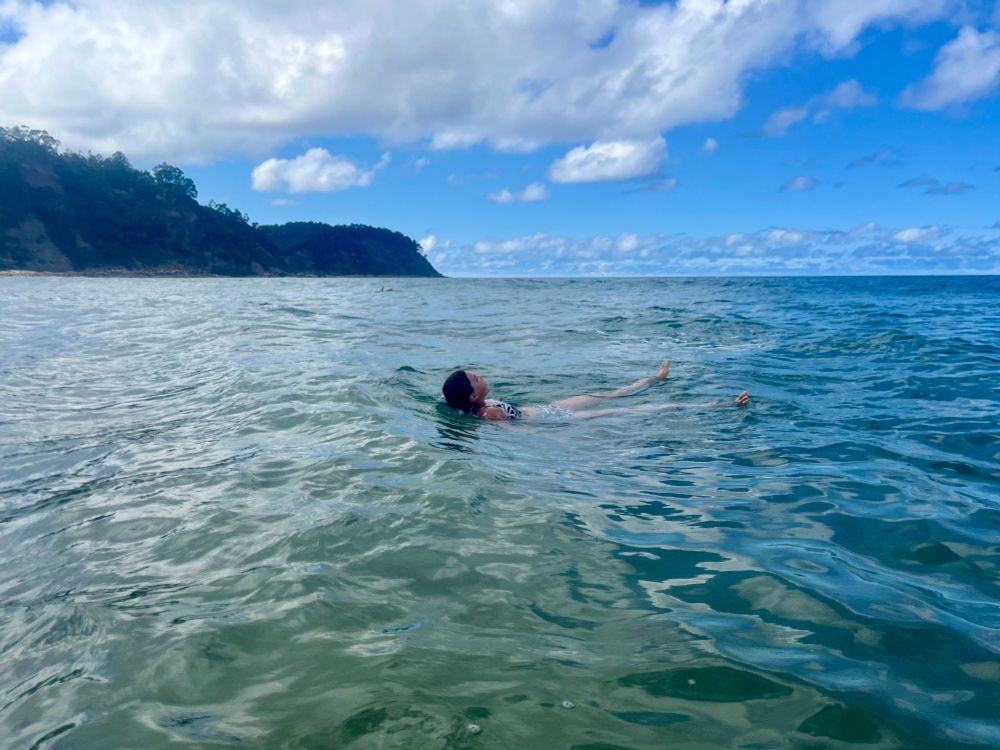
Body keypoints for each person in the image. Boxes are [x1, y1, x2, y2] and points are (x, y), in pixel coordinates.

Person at [441, 360, 749, 421]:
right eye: (475, 377)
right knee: (625, 409)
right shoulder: (489, 414)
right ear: (473, 395)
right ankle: (721, 405)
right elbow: (520, 433)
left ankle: (656, 379)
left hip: (552, 407)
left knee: (611, 393)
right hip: (556, 420)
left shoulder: (469, 407)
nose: (481, 375)